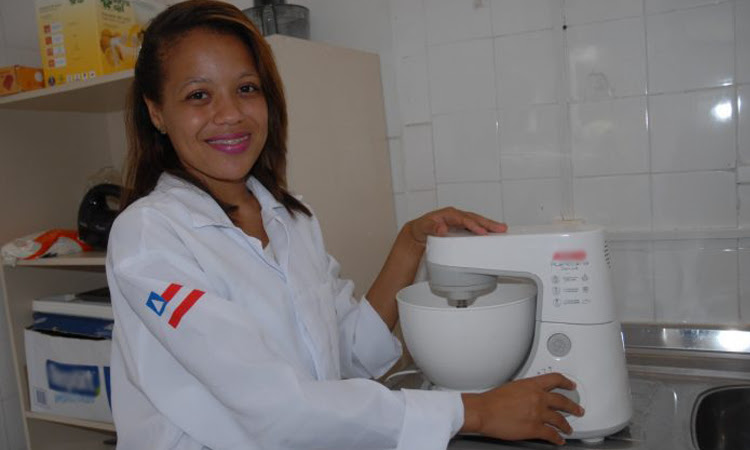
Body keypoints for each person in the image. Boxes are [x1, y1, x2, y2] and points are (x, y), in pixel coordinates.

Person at [106, 1, 583, 449]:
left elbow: (350, 353)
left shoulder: (290, 218)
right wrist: (473, 412)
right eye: (198, 95)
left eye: (246, 88)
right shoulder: (150, 237)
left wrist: (410, 243)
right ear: (156, 112)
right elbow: (273, 407)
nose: (230, 114)